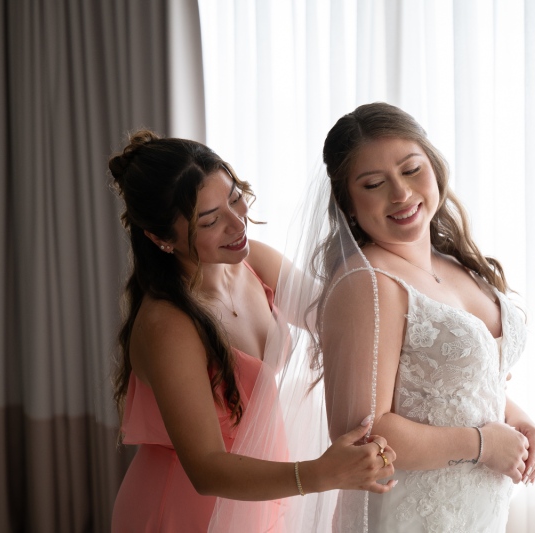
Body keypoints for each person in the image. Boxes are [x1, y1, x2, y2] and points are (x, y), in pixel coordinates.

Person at [108, 130, 397, 533]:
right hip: (187, 510)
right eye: (210, 220)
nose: (237, 222)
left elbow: (345, 322)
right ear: (161, 239)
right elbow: (206, 470)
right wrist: (321, 474)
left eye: (234, 197)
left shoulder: (253, 263)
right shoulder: (167, 326)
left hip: (263, 490)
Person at [308, 102, 535, 532]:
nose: (400, 194)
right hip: (408, 516)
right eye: (374, 184)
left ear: (434, 167)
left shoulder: (456, 264)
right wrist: (483, 445)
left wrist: (519, 419)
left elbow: (455, 387)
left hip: (475, 514)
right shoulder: (368, 283)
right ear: (349, 205)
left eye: (411, 169)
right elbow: (363, 436)